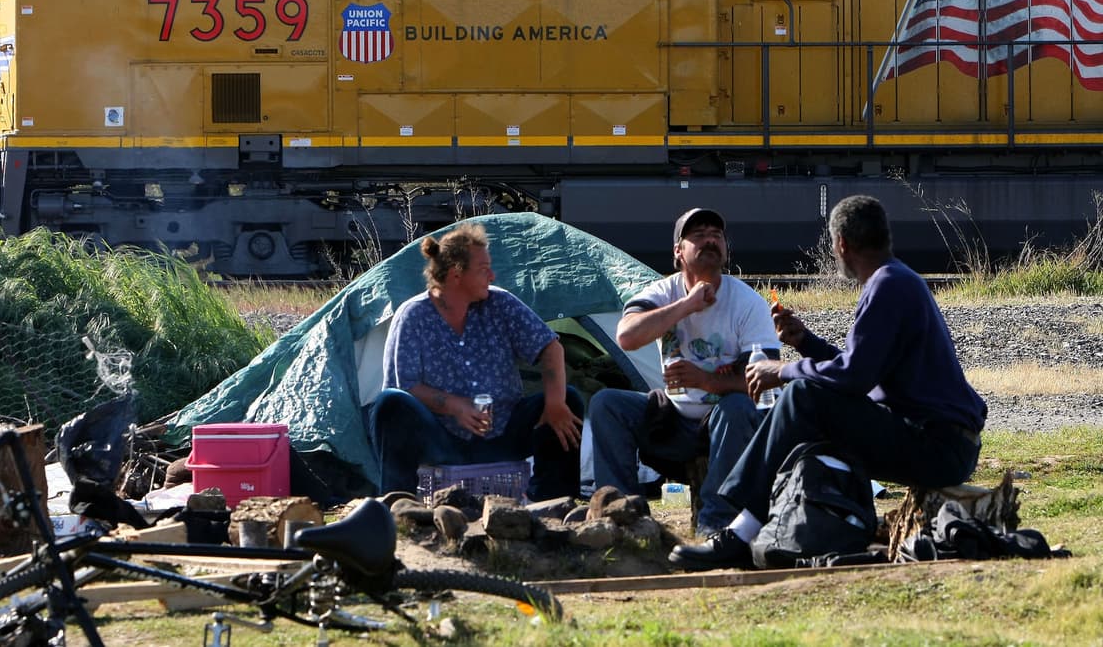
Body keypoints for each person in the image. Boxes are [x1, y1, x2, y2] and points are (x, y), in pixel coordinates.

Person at [670, 194, 988, 570]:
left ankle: (737, 530)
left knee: (802, 395)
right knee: (808, 403)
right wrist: (805, 343)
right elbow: (861, 370)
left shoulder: (888, 286)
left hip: (938, 447)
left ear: (841, 244)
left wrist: (781, 370)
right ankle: (779, 524)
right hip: (942, 441)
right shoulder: (898, 280)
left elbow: (853, 377)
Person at [589, 207, 781, 536]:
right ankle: (622, 518)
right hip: (673, 418)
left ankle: (716, 524)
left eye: (716, 235)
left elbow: (768, 379)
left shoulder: (747, 302)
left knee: (737, 407)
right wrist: (687, 305)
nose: (710, 240)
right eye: (698, 236)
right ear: (678, 251)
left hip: (727, 425)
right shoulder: (663, 293)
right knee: (607, 404)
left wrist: (707, 381)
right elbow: (627, 337)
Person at [368, 222, 584, 501]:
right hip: (443, 439)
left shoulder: (501, 303)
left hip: (503, 432)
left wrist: (555, 403)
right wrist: (454, 406)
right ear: (456, 274)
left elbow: (551, 348)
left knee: (568, 401)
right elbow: (405, 386)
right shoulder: (413, 316)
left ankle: (554, 503)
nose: (492, 276)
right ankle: (399, 505)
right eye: (484, 269)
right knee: (390, 404)